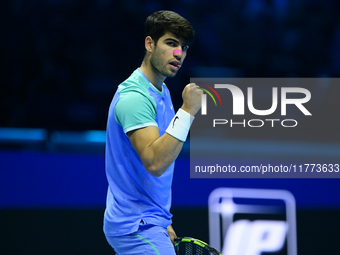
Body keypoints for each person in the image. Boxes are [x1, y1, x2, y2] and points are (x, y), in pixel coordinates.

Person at [103, 10, 202, 255]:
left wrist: (162, 219)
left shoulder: (162, 91)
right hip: (135, 226)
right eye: (171, 43)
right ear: (149, 43)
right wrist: (188, 110)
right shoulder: (134, 98)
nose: (179, 53)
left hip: (148, 221)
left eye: (184, 47)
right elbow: (155, 162)